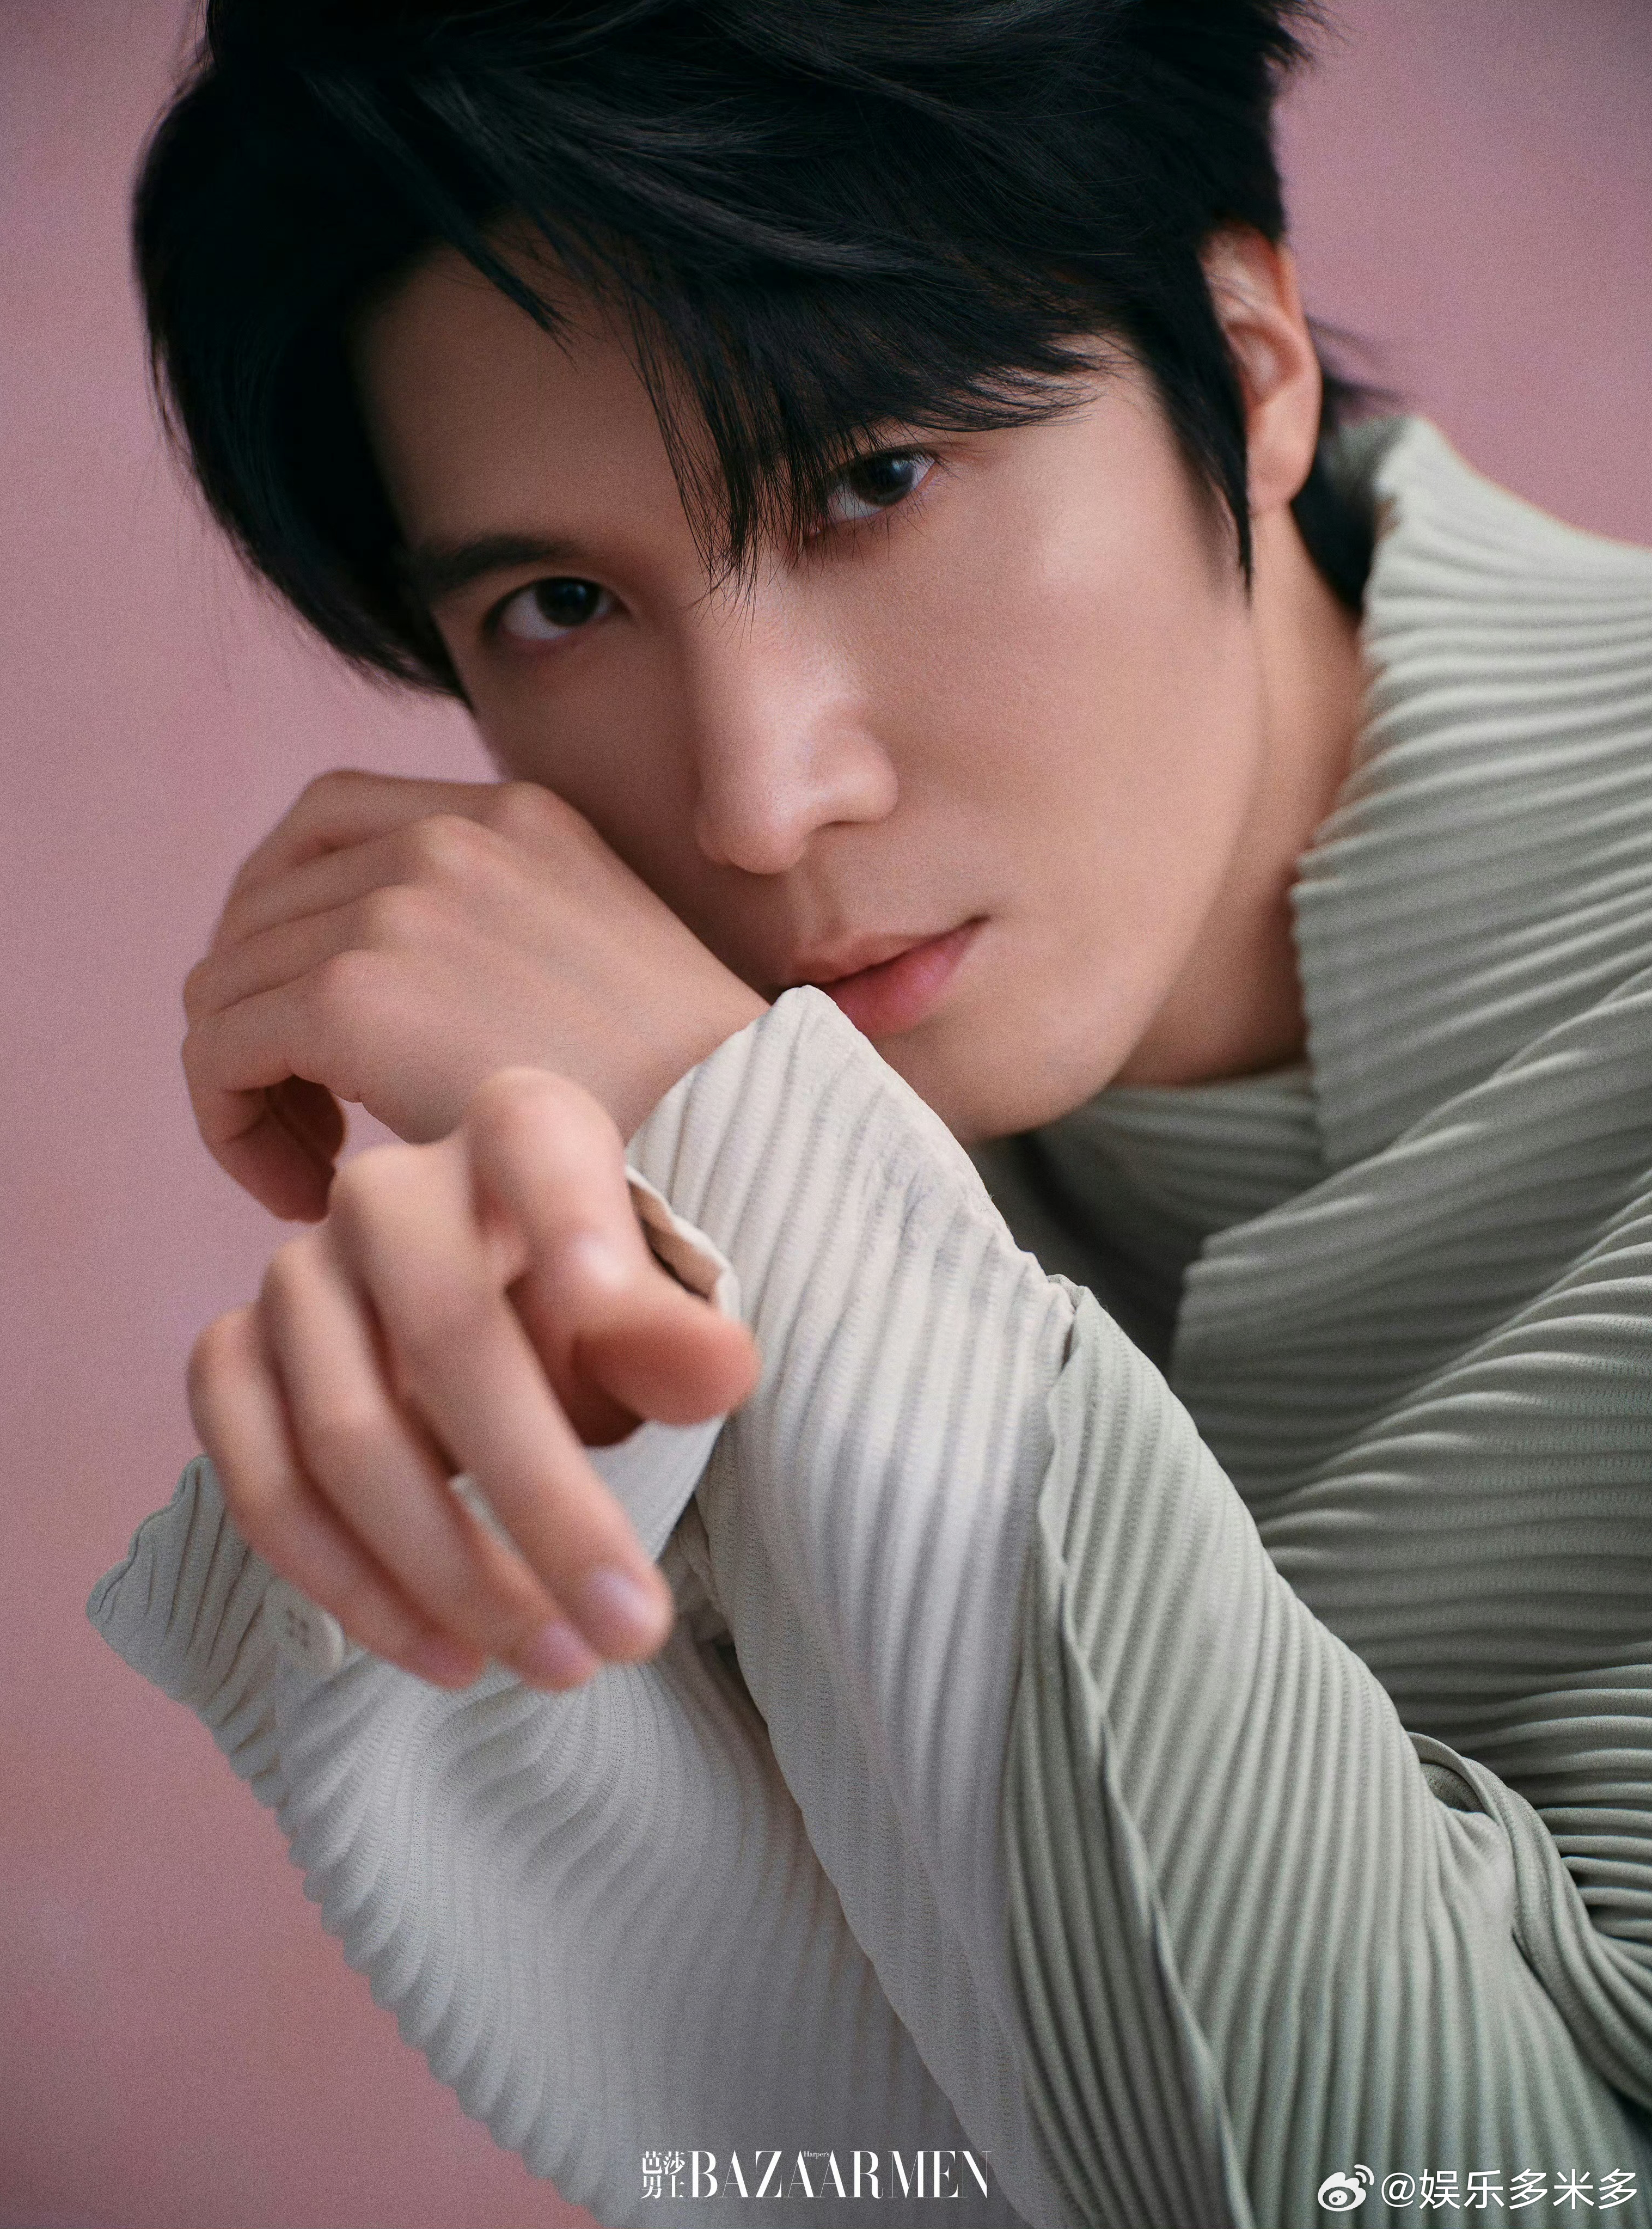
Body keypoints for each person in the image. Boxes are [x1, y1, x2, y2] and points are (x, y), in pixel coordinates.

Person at [88, 2, 1652, 2224]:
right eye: (559, 604)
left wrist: (750, 1142)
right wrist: (595, 1425)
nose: (759, 798)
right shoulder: (679, 1181)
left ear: (1250, 368)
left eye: (876, 480)